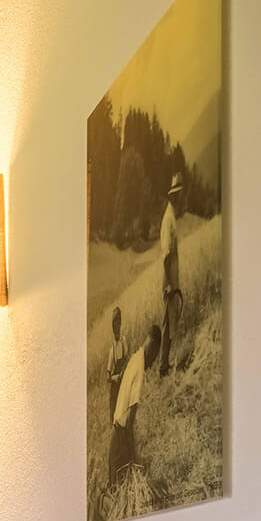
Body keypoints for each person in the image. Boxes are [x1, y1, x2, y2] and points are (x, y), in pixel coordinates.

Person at [110, 322, 159, 486]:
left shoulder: (134, 357)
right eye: (155, 353)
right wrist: (133, 457)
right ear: (151, 345)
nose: (153, 360)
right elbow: (129, 421)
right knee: (119, 488)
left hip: (116, 428)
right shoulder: (139, 369)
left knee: (115, 483)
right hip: (121, 437)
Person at [158, 175, 184, 373]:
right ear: (173, 196)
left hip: (171, 279)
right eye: (178, 194)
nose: (180, 197)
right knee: (167, 322)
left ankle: (164, 364)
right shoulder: (169, 219)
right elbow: (166, 255)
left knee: (169, 320)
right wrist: (169, 284)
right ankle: (162, 366)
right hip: (169, 280)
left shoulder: (171, 215)